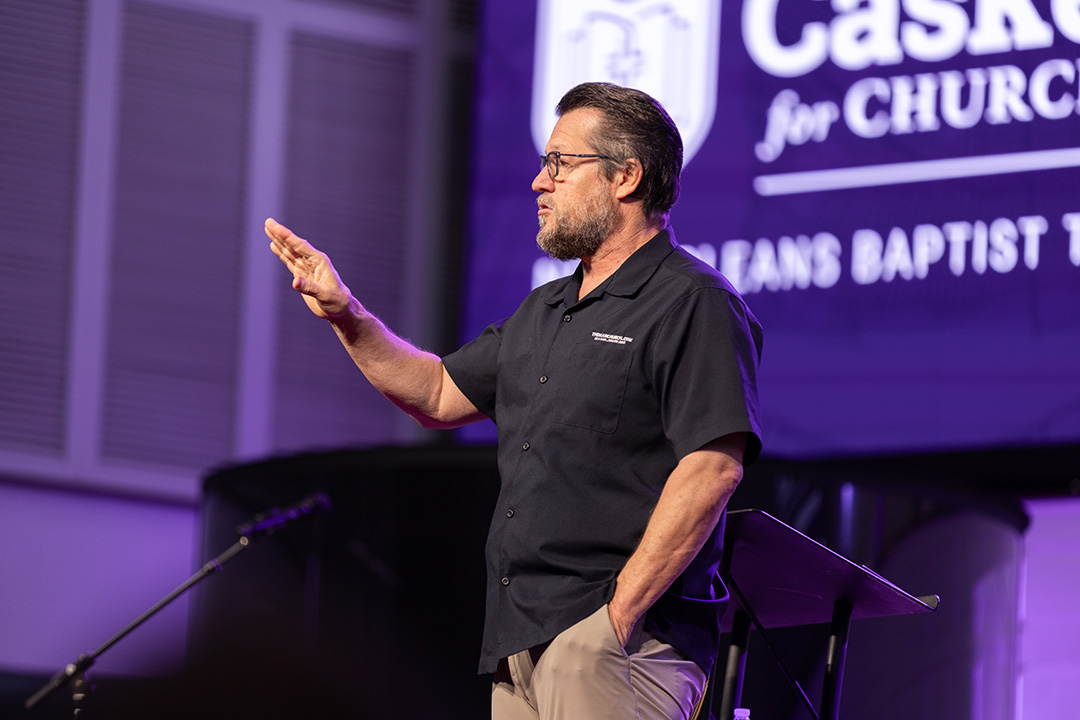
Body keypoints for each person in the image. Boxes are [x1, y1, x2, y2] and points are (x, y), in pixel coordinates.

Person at [267, 81, 763, 720]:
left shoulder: (693, 302)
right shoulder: (545, 309)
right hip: (517, 650)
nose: (538, 182)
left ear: (626, 177)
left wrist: (615, 618)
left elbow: (712, 467)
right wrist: (347, 314)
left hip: (617, 644)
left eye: (560, 163)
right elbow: (437, 393)